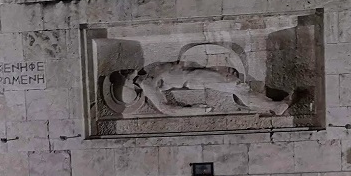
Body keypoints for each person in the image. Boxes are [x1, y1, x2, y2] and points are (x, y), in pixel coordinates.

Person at [105, 61, 291, 117]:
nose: (126, 70)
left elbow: (178, 64)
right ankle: (274, 106)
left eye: (123, 70)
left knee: (238, 88)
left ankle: (272, 105)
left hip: (198, 72)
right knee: (238, 88)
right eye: (123, 73)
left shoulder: (151, 70)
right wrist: (194, 110)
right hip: (196, 78)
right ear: (128, 82)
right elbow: (165, 108)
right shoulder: (147, 85)